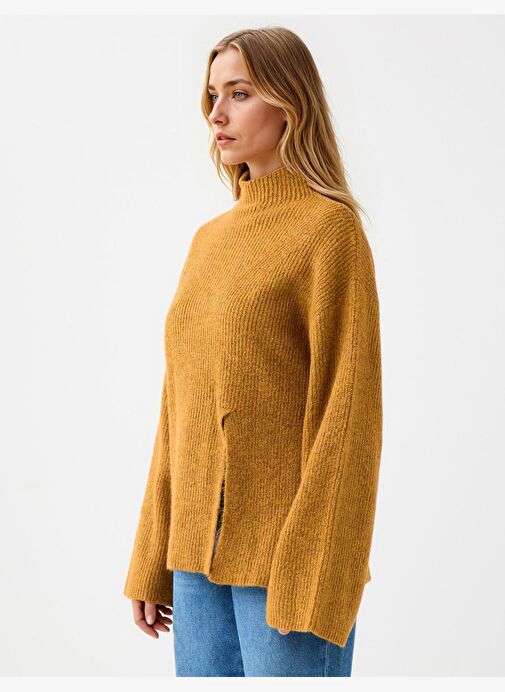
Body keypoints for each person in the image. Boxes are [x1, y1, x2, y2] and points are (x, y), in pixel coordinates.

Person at [124, 26, 383, 677]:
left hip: (285, 563)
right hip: (193, 562)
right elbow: (178, 407)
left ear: (290, 102)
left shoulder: (328, 229)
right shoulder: (208, 241)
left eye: (239, 93)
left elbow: (349, 414)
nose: (217, 113)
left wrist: (317, 566)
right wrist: (152, 553)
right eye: (212, 95)